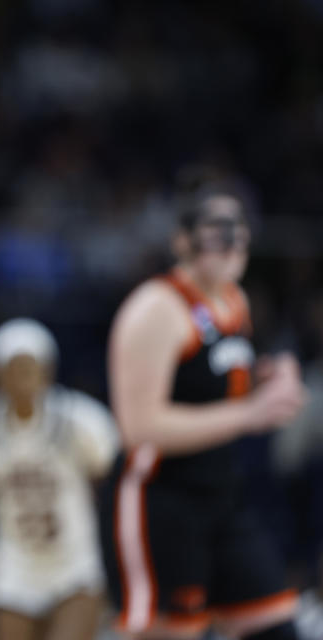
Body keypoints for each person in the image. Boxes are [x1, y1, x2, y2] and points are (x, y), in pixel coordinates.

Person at [98, 173, 307, 640]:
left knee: (277, 625)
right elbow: (140, 427)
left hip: (221, 495)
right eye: (217, 229)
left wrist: (276, 373)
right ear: (183, 240)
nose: (231, 243)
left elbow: (220, 377)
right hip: (159, 500)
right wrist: (252, 413)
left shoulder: (235, 299)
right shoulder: (156, 308)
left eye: (238, 229)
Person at [0, 318, 118, 640]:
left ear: (48, 370)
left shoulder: (83, 422)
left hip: (76, 562)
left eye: (30, 367)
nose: (22, 378)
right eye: (13, 368)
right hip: (14, 564)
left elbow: (112, 502)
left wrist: (117, 571)